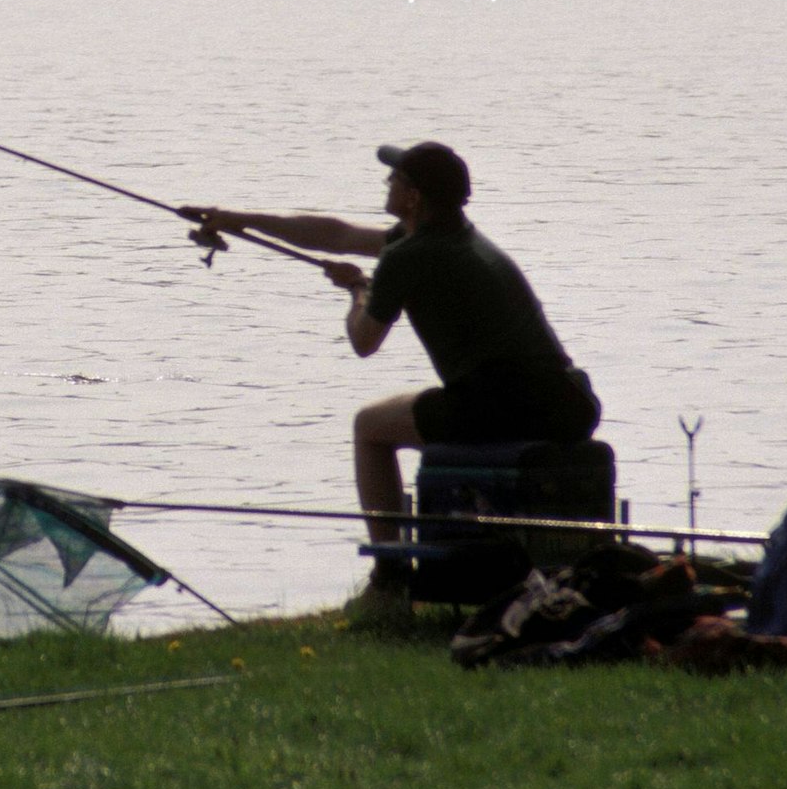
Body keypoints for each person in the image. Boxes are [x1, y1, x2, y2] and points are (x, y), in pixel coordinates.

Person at [183, 141, 600, 616]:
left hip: (502, 403)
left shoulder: (408, 256)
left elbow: (364, 341)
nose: (386, 183)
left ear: (415, 196)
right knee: (420, 417)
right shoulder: (452, 238)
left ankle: (390, 579)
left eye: (395, 178)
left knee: (370, 427)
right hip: (566, 400)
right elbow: (337, 234)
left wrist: (359, 289)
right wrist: (241, 220)